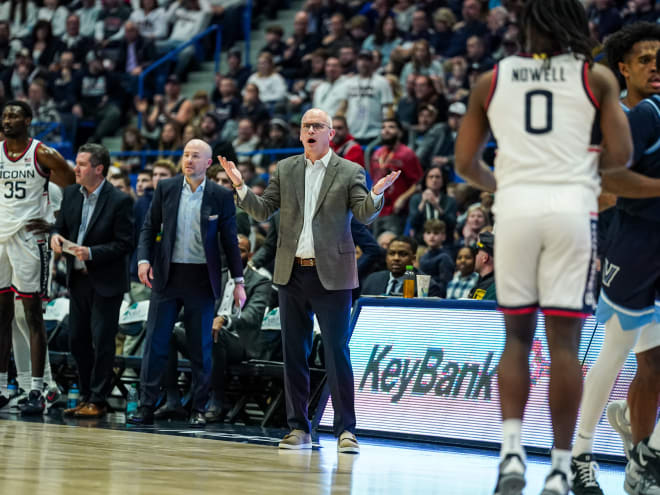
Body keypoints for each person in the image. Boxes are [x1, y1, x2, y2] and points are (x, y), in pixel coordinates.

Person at [454, 1, 660, 493]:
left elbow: (465, 164)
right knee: (566, 346)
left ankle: (510, 457)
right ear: (576, 24)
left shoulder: (492, 78)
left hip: (519, 209)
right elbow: (621, 157)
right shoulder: (597, 79)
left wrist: (504, 178)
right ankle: (564, 466)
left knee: (517, 341)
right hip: (572, 212)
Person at [219, 107, 400, 453]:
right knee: (294, 354)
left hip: (331, 275)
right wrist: (240, 186)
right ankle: (298, 428)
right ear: (300, 134)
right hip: (292, 272)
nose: (311, 130)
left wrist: (377, 194)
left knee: (336, 353)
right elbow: (262, 209)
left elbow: (363, 213)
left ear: (330, 134)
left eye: (318, 125)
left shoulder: (349, 171)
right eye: (306, 125)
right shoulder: (285, 169)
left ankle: (346, 430)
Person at [571, 22, 660, 495]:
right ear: (623, 68)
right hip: (625, 244)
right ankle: (580, 453)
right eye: (645, 59)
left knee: (655, 363)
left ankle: (643, 455)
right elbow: (604, 185)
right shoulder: (628, 117)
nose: (655, 67)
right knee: (617, 351)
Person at [127, 139, 246, 427]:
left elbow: (230, 240)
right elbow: (149, 227)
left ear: (208, 163)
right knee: (155, 342)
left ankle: (200, 407)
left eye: (196, 156)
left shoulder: (219, 194)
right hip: (167, 276)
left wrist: (239, 279)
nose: (189, 160)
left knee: (200, 346)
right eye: (185, 155)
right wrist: (144, 259)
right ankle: (146, 405)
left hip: (201, 277)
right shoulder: (166, 188)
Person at [0, 100, 74, 413]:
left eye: (14, 115)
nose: (7, 120)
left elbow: (73, 188)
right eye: (4, 115)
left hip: (30, 239)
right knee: (2, 316)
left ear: (28, 120)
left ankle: (37, 391)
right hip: (1, 236)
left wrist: (55, 222)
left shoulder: (42, 154)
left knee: (31, 315)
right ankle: (2, 388)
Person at [51, 144, 134, 418]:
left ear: (98, 169)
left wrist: (92, 253)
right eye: (77, 162)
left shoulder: (119, 200)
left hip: (106, 282)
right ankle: (85, 395)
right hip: (78, 281)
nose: (75, 168)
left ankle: (98, 399)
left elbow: (125, 244)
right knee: (77, 340)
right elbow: (60, 227)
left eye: (82, 164)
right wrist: (54, 236)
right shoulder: (71, 194)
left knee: (102, 341)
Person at [467, 231, 495, 301]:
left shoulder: (491, 287)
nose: (474, 256)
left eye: (476, 252)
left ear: (485, 258)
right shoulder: (483, 282)